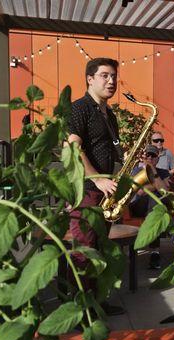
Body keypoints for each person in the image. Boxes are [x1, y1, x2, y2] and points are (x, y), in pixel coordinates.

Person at [66, 57, 123, 314]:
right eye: (104, 76)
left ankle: (98, 302)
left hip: (105, 191)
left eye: (113, 76)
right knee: (84, 249)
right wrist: (96, 178)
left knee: (99, 247)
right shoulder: (79, 108)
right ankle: (80, 310)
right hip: (86, 189)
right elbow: (72, 147)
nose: (111, 81)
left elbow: (114, 152)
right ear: (90, 79)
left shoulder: (109, 114)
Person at [129, 145, 170, 269]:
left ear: (158, 158)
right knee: (152, 198)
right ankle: (154, 251)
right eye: (148, 155)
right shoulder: (135, 171)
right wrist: (157, 185)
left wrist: (153, 170)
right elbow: (139, 192)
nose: (150, 158)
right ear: (143, 157)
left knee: (154, 206)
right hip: (139, 205)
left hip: (153, 208)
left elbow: (165, 190)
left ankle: (154, 253)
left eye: (153, 156)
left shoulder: (163, 172)